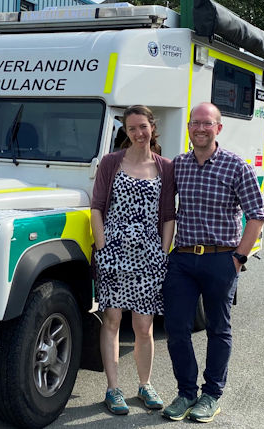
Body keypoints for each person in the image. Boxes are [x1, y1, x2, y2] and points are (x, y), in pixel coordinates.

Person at [162, 102, 264, 423]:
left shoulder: (237, 167)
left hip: (222, 258)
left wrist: (237, 259)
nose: (200, 128)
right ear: (189, 128)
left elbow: (257, 216)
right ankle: (186, 393)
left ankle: (211, 395)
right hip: (182, 258)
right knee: (176, 328)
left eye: (207, 123)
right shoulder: (179, 165)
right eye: (195, 123)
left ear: (218, 128)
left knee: (218, 329)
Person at [91, 105, 176, 415]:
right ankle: (113, 389)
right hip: (114, 253)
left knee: (144, 325)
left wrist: (161, 253)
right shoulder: (112, 162)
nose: (139, 133)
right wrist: (102, 248)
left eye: (143, 126)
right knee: (112, 320)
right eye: (132, 129)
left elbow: (168, 215)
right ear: (125, 133)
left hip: (149, 257)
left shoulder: (166, 167)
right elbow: (97, 207)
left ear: (152, 127)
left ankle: (145, 385)